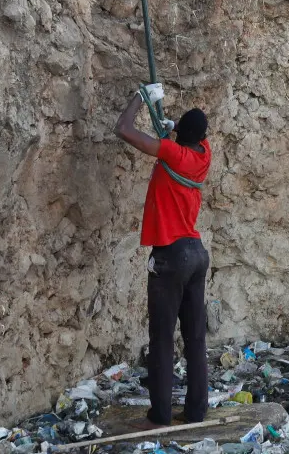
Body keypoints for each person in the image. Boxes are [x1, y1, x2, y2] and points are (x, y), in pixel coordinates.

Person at [114, 83, 212, 427]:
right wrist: (170, 126)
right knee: (196, 339)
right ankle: (197, 411)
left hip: (171, 255)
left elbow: (123, 130)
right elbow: (183, 135)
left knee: (161, 339)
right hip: (197, 254)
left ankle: (160, 414)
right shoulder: (202, 154)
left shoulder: (173, 154)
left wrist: (140, 98)